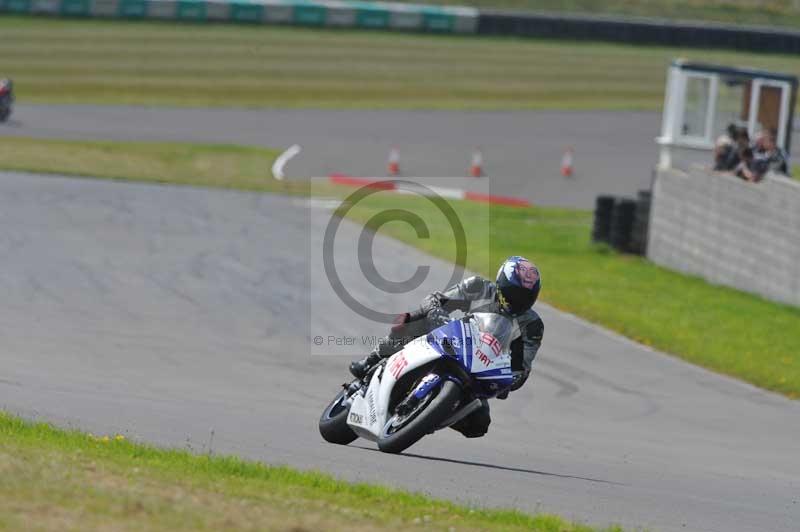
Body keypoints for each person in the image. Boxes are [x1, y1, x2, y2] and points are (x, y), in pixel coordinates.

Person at [349, 256, 544, 438]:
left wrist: (509, 381)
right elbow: (436, 300)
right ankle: (370, 361)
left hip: (481, 369)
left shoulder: (532, 325)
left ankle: (428, 415)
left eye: (528, 296)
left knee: (479, 424)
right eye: (516, 294)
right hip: (454, 341)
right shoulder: (479, 288)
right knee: (413, 320)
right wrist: (436, 313)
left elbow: (522, 367)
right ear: (502, 284)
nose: (520, 301)